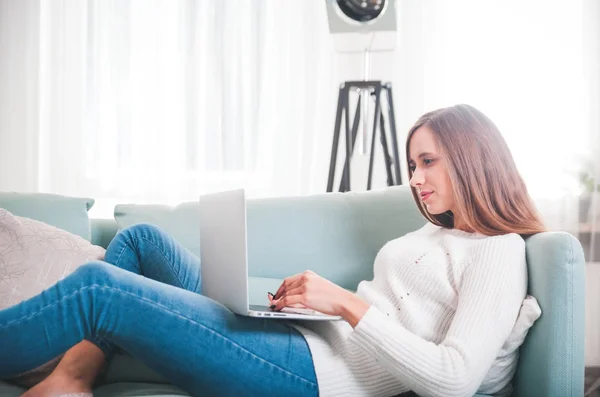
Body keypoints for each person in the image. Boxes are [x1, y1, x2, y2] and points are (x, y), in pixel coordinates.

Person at [0, 104, 546, 397]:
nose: (415, 178)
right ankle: (73, 376)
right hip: (308, 337)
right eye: (412, 164)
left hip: (316, 377)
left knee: (102, 290)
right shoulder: (437, 235)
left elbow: (454, 379)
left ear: (472, 159)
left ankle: (69, 379)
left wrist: (348, 305)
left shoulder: (497, 253)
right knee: (143, 240)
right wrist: (311, 303)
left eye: (427, 161)